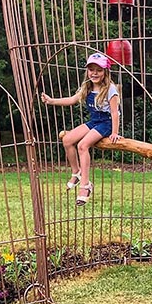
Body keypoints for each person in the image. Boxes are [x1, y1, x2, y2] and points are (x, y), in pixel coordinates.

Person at [40, 53, 122, 206]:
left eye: (99, 70)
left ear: (106, 72)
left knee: (82, 146)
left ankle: (85, 186)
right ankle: (76, 172)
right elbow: (72, 100)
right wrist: (51, 101)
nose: (94, 73)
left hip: (107, 123)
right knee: (67, 139)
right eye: (91, 69)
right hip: (94, 121)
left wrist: (114, 133)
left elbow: (115, 113)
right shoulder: (87, 87)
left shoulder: (111, 89)